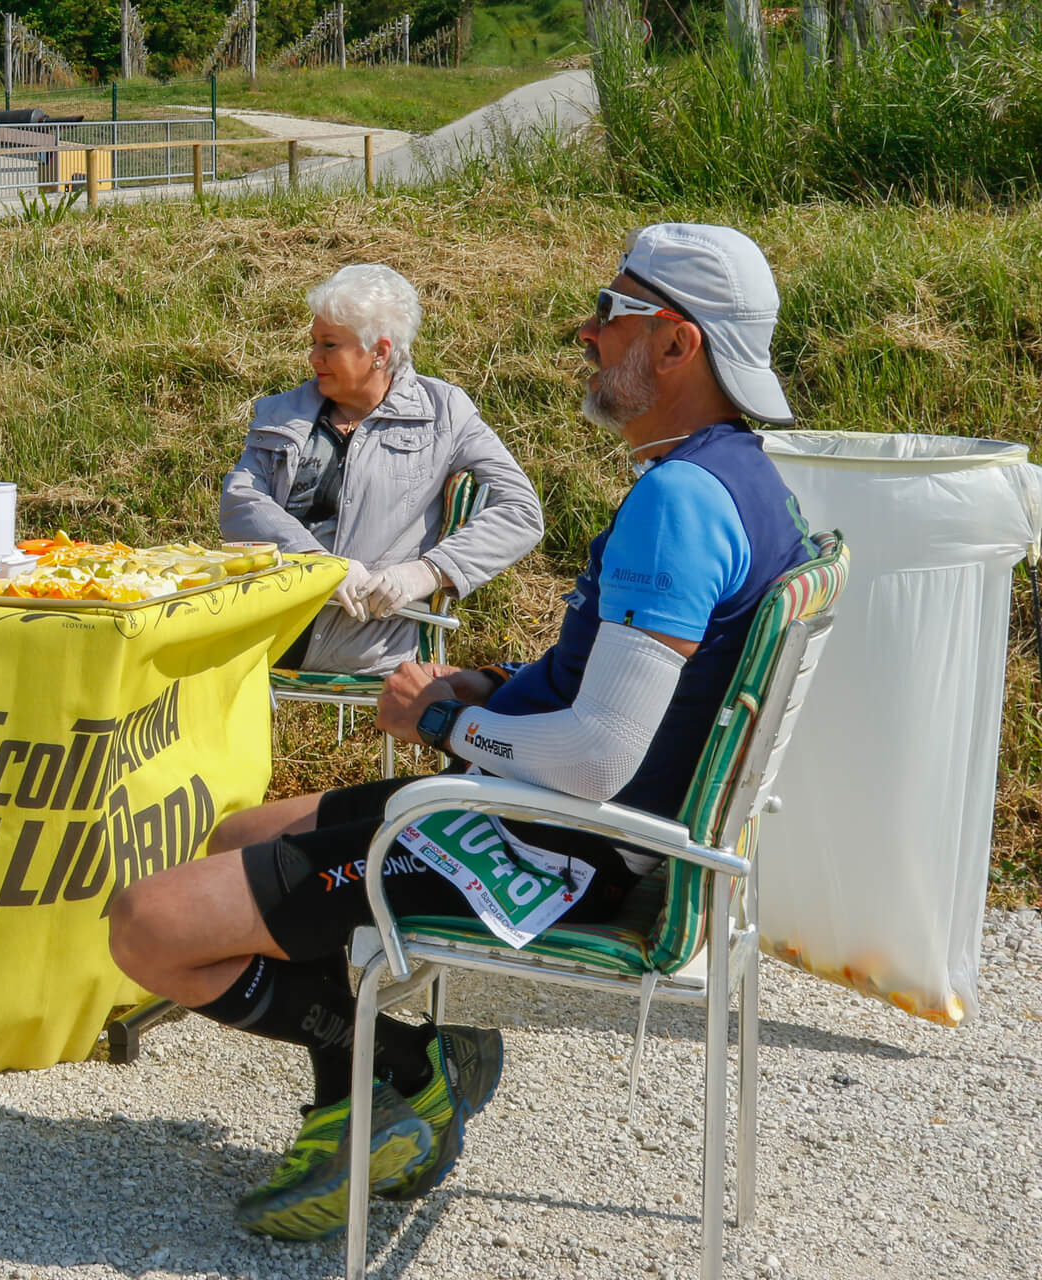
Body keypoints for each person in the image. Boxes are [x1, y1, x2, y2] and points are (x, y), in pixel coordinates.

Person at [110, 225, 813, 1241]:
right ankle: (375, 1087)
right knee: (236, 838)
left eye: (611, 313)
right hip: (571, 826)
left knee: (148, 924)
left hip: (553, 847)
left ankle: (404, 1074)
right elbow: (612, 701)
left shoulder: (679, 502)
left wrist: (443, 715)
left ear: (676, 345)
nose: (586, 331)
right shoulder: (737, 475)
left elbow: (595, 756)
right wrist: (492, 686)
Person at [220, 264, 543, 676]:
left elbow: (521, 511)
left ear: (380, 352)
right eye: (314, 342)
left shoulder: (445, 412)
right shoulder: (283, 411)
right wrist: (320, 563)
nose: (313, 356)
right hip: (269, 619)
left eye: (330, 345)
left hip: (369, 638)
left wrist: (427, 572)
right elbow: (239, 502)